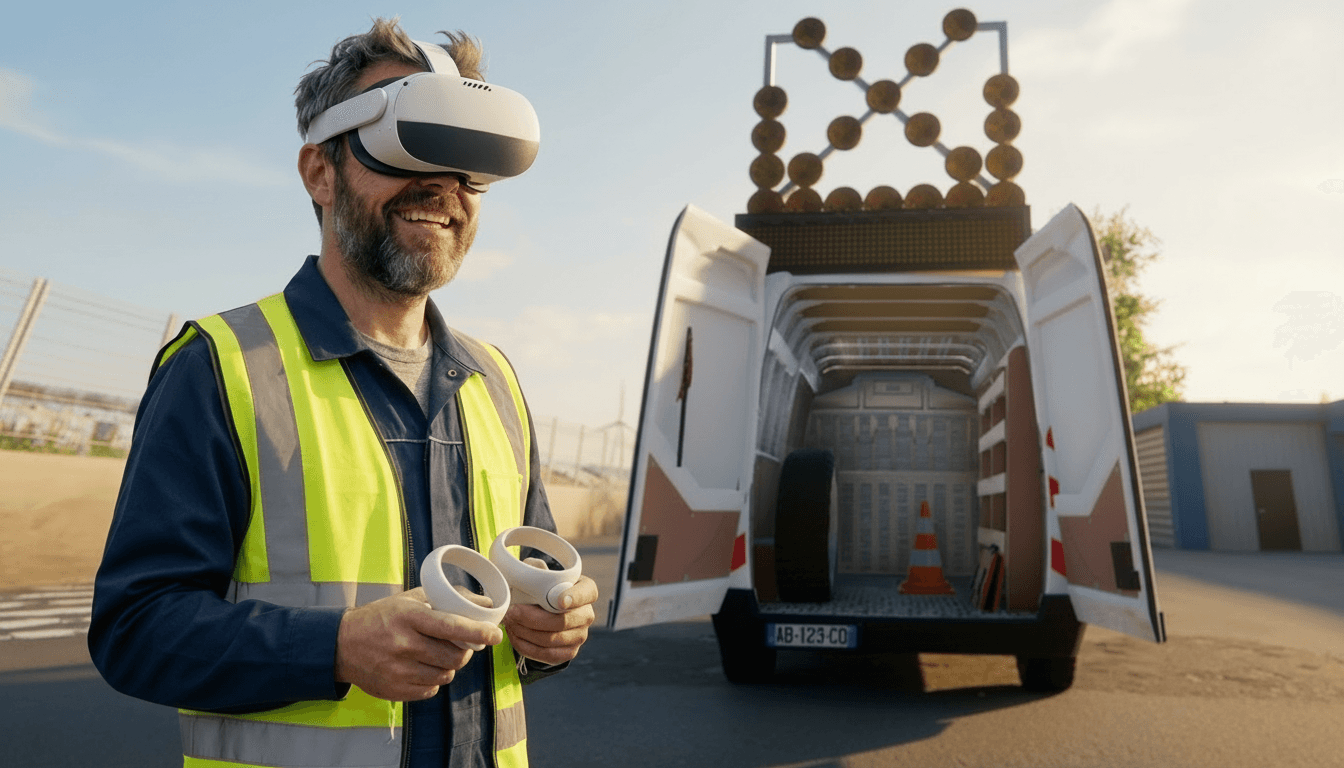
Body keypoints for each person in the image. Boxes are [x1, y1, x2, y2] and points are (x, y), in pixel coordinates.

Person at [88, 18, 596, 768]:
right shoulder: (221, 368)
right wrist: (332, 648)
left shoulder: (496, 385)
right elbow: (134, 627)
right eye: (407, 142)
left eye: (467, 163)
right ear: (320, 173)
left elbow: (527, 611)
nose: (442, 187)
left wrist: (550, 637)